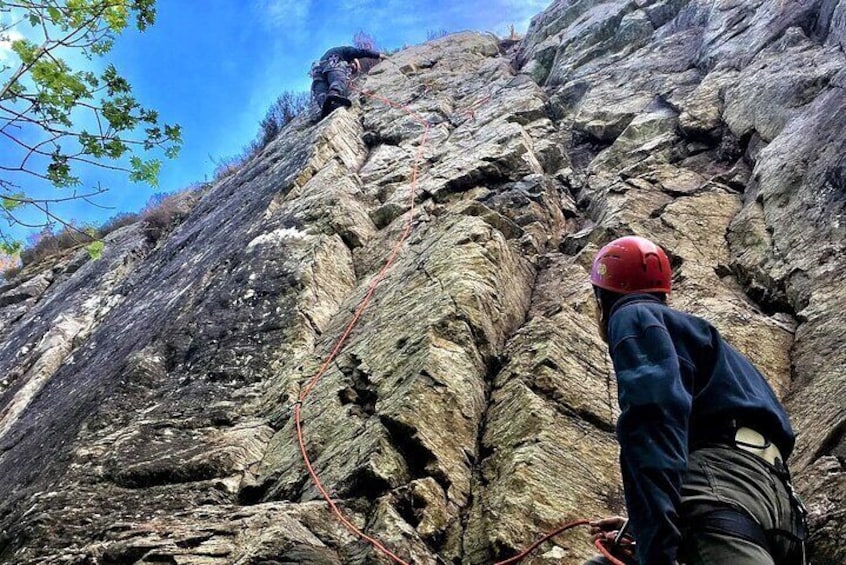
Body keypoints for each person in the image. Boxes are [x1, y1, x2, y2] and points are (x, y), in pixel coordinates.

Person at [583, 235, 807, 565]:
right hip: (779, 508)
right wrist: (639, 528)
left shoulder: (632, 315)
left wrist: (654, 546)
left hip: (723, 497)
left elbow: (653, 421)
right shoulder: (706, 339)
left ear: (601, 299)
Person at [310, 46, 386, 118]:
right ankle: (334, 93)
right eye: (354, 68)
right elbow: (362, 52)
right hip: (332, 61)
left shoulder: (330, 55)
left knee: (321, 90)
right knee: (339, 77)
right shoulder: (347, 51)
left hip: (317, 71)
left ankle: (325, 105)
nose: (351, 70)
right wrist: (378, 55)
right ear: (353, 60)